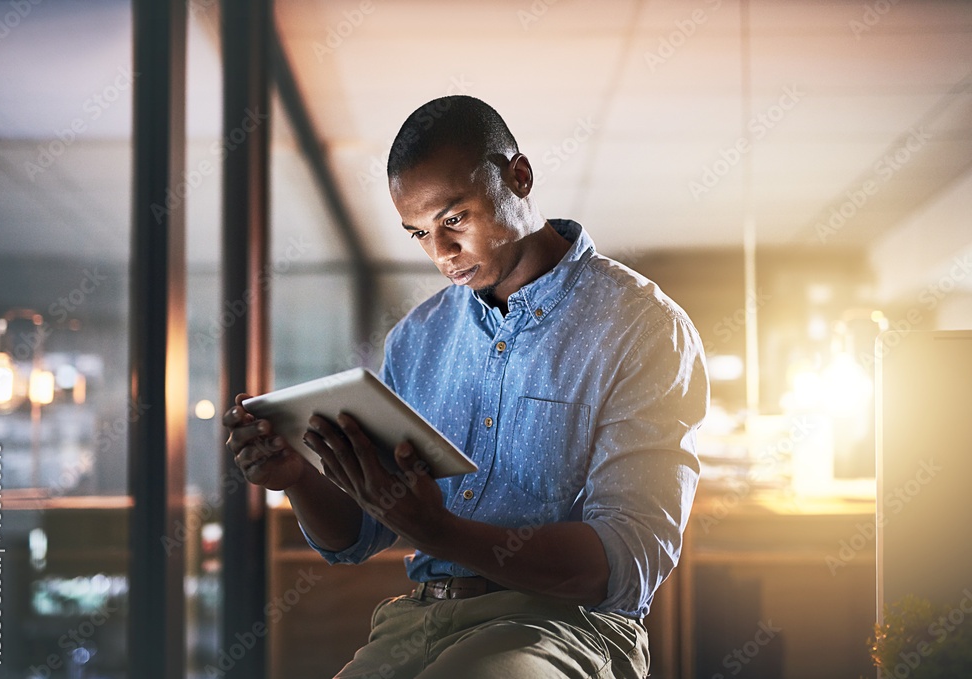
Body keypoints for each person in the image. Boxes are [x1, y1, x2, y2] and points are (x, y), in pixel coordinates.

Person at [224, 95, 709, 678]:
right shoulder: (417, 339)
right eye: (418, 234)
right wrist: (297, 477)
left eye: (454, 219)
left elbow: (626, 560)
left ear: (519, 177)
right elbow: (355, 537)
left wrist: (442, 531)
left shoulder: (642, 327)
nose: (441, 253)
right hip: (414, 624)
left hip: (562, 628)